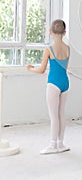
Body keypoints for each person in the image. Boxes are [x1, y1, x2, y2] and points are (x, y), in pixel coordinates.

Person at [27, 19, 70, 154]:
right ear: (64, 32)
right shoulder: (68, 48)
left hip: (53, 84)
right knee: (61, 114)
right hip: (65, 83)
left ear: (50, 31)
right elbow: (65, 67)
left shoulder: (49, 49)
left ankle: (52, 145)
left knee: (53, 116)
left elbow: (41, 70)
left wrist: (30, 68)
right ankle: (61, 143)